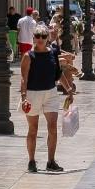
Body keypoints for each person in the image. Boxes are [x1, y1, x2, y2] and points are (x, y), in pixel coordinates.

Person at [20, 20, 73, 172]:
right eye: (38, 36)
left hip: (50, 93)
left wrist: (68, 89)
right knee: (33, 129)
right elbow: (23, 78)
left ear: (47, 37)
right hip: (32, 94)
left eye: (43, 36)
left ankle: (51, 161)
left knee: (52, 128)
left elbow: (58, 73)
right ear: (34, 37)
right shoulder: (28, 56)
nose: (41, 39)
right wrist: (24, 98)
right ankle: (31, 160)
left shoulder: (53, 52)